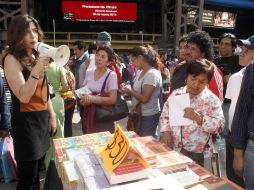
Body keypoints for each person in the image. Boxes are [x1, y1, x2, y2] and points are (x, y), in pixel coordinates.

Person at [3, 14, 56, 190]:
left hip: (41, 120)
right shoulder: (11, 59)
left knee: (37, 173)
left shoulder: (34, 55)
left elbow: (44, 89)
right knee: (27, 177)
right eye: (27, 32)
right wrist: (37, 69)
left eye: (35, 30)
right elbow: (23, 96)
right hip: (26, 125)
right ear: (17, 35)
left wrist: (52, 115)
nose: (33, 36)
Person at [160, 59, 225, 166]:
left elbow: (219, 126)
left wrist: (199, 118)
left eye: (202, 82)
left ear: (207, 82)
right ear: (187, 77)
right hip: (174, 149)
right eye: (193, 78)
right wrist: (166, 132)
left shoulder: (211, 100)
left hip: (198, 153)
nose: (196, 85)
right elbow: (165, 115)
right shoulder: (176, 94)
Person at [216, 33, 245, 187]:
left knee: (232, 138)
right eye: (221, 44)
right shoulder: (216, 61)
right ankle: (227, 173)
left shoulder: (239, 61)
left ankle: (236, 175)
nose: (223, 47)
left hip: (232, 105)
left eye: (227, 44)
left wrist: (231, 77)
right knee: (222, 140)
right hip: (218, 104)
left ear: (234, 48)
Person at [171, 30, 224, 104]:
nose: (188, 51)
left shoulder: (211, 71)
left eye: (193, 49)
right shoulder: (179, 66)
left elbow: (217, 103)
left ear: (203, 54)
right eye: (188, 47)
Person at [229, 35, 254, 189]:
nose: (241, 52)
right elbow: (241, 112)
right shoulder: (250, 71)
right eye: (242, 49)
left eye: (248, 49)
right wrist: (238, 155)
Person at [121, 45, 162, 137]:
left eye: (133, 60)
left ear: (140, 58)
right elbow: (136, 91)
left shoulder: (152, 74)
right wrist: (127, 89)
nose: (132, 63)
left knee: (146, 143)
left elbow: (144, 98)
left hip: (148, 116)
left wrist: (130, 90)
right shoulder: (140, 72)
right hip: (138, 113)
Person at [80, 45, 118, 133]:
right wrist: (83, 99)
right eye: (97, 55)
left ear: (108, 62)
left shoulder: (111, 75)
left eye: (103, 57)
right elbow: (84, 90)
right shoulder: (89, 72)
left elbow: (113, 99)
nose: (98, 58)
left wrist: (92, 99)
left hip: (103, 116)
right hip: (89, 114)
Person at [44, 62, 68, 169]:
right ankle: (59, 163)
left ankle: (47, 163)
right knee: (59, 133)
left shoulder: (39, 66)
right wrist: (58, 89)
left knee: (46, 133)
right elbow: (65, 86)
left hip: (43, 101)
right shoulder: (59, 67)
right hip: (57, 100)